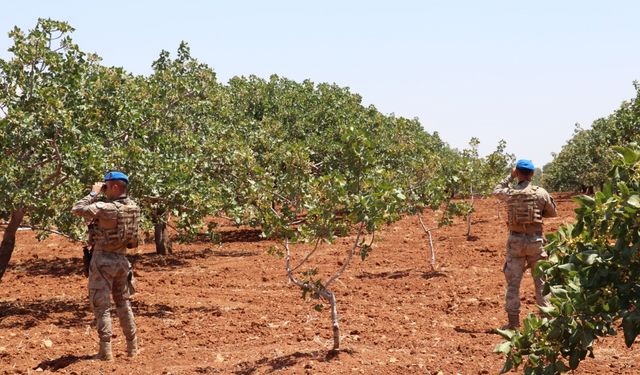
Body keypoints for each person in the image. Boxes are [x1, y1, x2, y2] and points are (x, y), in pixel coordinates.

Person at [72, 171, 140, 360]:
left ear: (116, 187)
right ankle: (132, 347)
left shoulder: (106, 208)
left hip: (103, 261)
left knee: (101, 306)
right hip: (122, 261)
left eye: (107, 186)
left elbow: (77, 209)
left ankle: (105, 351)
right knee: (123, 304)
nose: (104, 189)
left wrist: (93, 193)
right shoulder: (134, 208)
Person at [493, 159, 557, 329]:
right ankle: (547, 323)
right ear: (532, 174)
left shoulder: (510, 192)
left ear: (517, 173)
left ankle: (513, 324)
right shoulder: (541, 192)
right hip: (536, 242)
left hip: (515, 242)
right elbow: (552, 213)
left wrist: (509, 176)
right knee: (541, 282)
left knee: (513, 283)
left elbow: (496, 190)